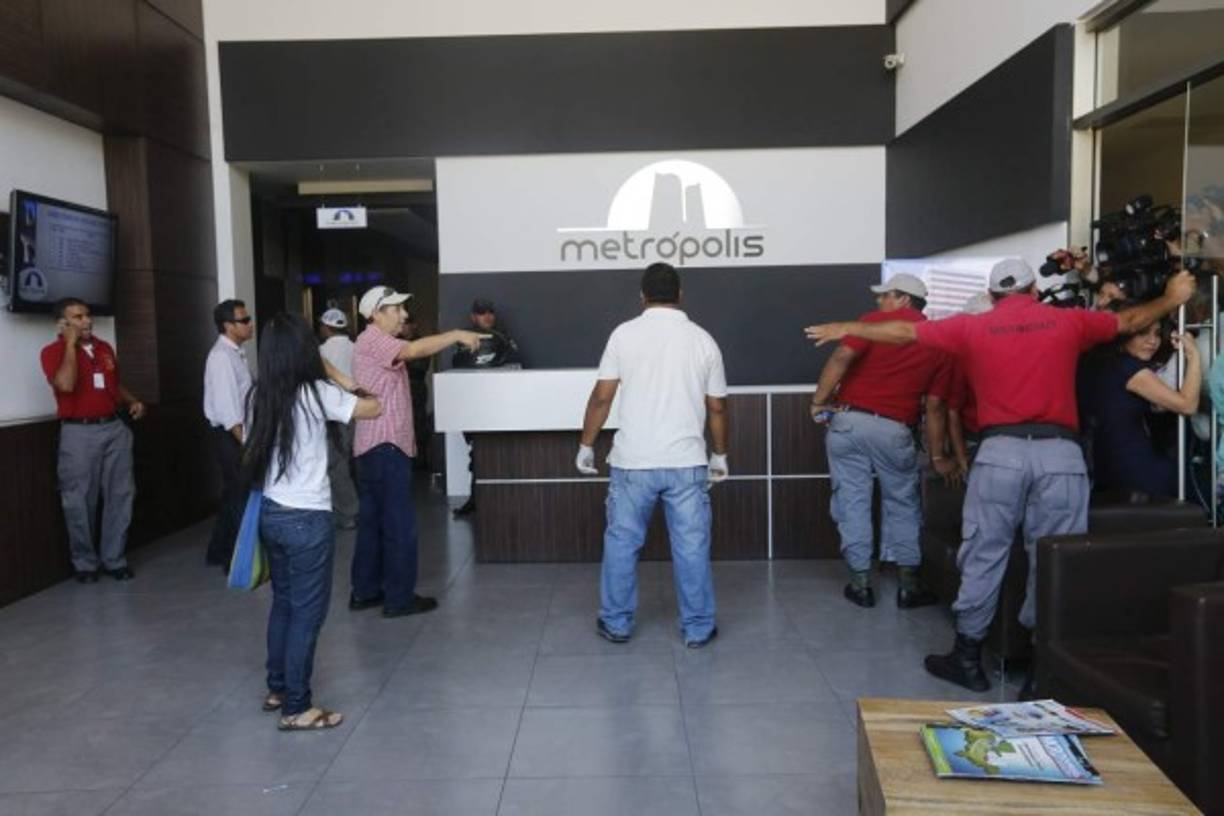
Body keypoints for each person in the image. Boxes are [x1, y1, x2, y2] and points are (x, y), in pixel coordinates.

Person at [805, 259, 1196, 691]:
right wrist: (1173, 298)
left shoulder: (973, 327)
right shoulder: (1067, 322)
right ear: (1031, 290)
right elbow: (1129, 321)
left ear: (992, 297)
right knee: (1056, 557)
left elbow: (904, 332)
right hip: (1061, 455)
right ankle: (1044, 672)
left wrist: (848, 326)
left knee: (983, 553)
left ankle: (967, 657)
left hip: (1000, 454)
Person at [577, 262, 729, 648]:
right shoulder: (703, 340)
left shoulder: (623, 335)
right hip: (687, 462)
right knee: (692, 547)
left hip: (633, 462)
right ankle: (697, 627)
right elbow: (717, 408)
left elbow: (602, 397)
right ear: (680, 295)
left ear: (642, 296)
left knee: (622, 543)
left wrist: (586, 445)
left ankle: (616, 623)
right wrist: (720, 455)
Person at [243, 312, 380, 731]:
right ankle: (297, 708)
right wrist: (334, 370)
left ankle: (279, 687)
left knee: (284, 604)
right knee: (307, 614)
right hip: (307, 519)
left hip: (272, 512)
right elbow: (374, 406)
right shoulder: (317, 393)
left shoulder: (259, 396)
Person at [808, 272, 949, 609]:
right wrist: (938, 453)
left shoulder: (872, 324)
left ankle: (860, 584)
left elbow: (841, 357)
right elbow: (935, 405)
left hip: (849, 423)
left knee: (852, 502)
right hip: (894, 429)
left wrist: (818, 400)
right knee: (902, 505)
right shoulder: (938, 339)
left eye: (886, 295)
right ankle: (908, 586)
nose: (879, 301)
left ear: (903, 299)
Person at [349, 285, 486, 617]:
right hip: (385, 447)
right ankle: (398, 599)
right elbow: (413, 350)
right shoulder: (373, 339)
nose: (404, 315)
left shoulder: (370, 342)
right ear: (376, 314)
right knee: (398, 525)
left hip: (373, 447)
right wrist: (455, 334)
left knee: (373, 523)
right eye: (396, 310)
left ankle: (366, 591)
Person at [40, 297, 145, 582]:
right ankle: (85, 563)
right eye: (77, 317)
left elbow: (112, 382)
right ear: (62, 324)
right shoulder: (52, 352)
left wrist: (132, 399)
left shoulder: (104, 347)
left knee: (121, 495)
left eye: (87, 315)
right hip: (79, 433)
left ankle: (114, 559)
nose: (86, 321)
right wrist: (71, 346)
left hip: (114, 428)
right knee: (79, 500)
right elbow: (66, 384)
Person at [1079, 307, 1201, 499]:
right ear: (1125, 335)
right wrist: (1194, 355)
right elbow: (1187, 405)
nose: (1152, 341)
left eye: (1157, 334)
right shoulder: (1129, 369)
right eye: (1142, 333)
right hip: (1136, 471)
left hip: (1107, 469)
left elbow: (1159, 405)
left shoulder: (1100, 363)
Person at [451, 297, 522, 516]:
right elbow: (458, 368)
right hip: (474, 403)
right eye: (482, 313)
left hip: (499, 403)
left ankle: (500, 503)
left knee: (500, 452)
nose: (487, 316)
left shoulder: (504, 337)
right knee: (478, 454)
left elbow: (514, 363)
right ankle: (476, 499)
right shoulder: (464, 339)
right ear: (474, 316)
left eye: (490, 312)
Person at [203, 299, 255, 568]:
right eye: (244, 321)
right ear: (228, 326)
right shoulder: (222, 357)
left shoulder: (236, 353)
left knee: (233, 493)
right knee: (240, 495)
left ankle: (218, 551)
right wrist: (247, 444)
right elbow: (228, 410)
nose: (250, 324)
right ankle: (236, 560)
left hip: (237, 434)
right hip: (231, 435)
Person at [318, 308, 359, 529]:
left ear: (326, 327)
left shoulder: (320, 351)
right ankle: (351, 508)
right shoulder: (356, 349)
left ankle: (348, 512)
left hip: (330, 413)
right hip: (355, 410)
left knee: (335, 463)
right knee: (349, 459)